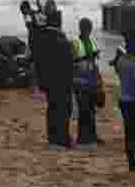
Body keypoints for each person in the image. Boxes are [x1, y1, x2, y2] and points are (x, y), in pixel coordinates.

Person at [111, 30, 135, 172]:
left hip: (124, 99)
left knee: (129, 132)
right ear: (133, 47)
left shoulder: (121, 61)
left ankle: (131, 161)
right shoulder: (134, 65)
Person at [41, 25, 75, 148]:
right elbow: (70, 66)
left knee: (53, 111)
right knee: (64, 112)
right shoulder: (64, 46)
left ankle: (54, 139)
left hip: (51, 86)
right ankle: (62, 138)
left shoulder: (44, 49)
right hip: (63, 85)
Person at [72, 18, 100, 148]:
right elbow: (71, 61)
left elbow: (95, 62)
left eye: (89, 27)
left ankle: (92, 136)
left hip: (92, 79)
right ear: (80, 28)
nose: (88, 30)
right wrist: (86, 58)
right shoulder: (75, 42)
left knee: (92, 109)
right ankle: (83, 138)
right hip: (80, 80)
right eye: (85, 27)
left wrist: (99, 79)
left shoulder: (93, 41)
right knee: (83, 109)